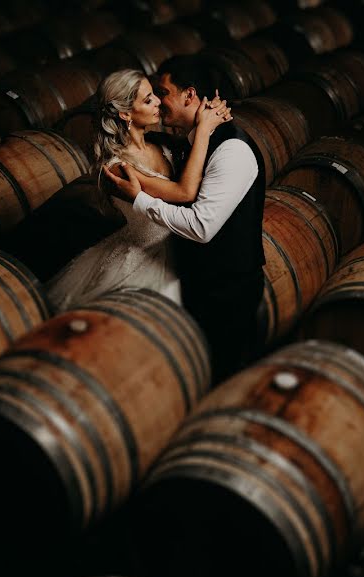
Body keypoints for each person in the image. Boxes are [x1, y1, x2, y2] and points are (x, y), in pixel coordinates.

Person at [104, 55, 266, 384]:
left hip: (226, 292)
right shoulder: (182, 144)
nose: (158, 103)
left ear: (189, 95)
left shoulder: (231, 150)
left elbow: (200, 227)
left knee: (214, 380)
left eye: (162, 92)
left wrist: (140, 199)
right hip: (188, 278)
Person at [46, 68, 232, 311]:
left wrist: (208, 113)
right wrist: (205, 131)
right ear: (125, 114)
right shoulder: (118, 166)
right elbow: (185, 192)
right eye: (147, 100)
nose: (158, 102)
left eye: (154, 94)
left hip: (180, 246)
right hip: (144, 259)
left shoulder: (158, 143)